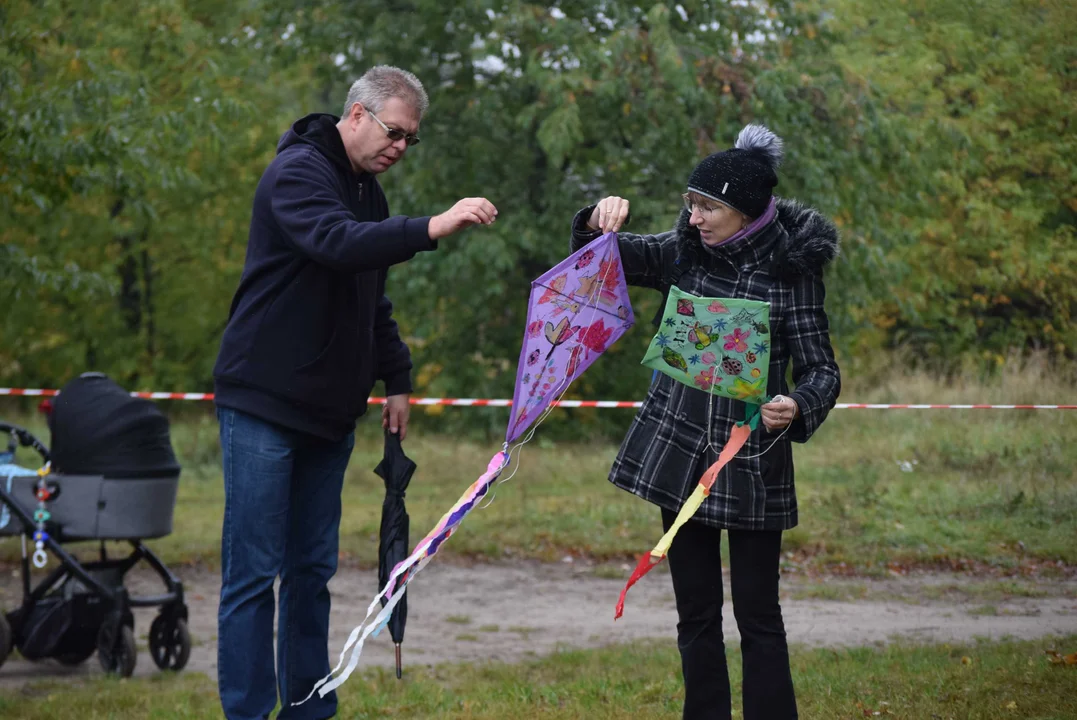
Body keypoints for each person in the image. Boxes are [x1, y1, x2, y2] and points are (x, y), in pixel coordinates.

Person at [211, 65, 498, 720]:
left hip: (329, 412)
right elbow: (336, 244)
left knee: (311, 576)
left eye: (410, 141)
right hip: (262, 400)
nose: (399, 147)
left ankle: (310, 710)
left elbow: (370, 292)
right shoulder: (298, 173)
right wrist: (431, 226)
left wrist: (395, 377)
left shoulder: (367, 192)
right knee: (253, 576)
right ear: (358, 116)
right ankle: (248, 712)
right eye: (394, 133)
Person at [570, 125, 840, 720]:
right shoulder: (682, 252)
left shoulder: (792, 273)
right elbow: (601, 261)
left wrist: (796, 406)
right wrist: (594, 220)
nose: (693, 217)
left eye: (707, 207)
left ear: (744, 211)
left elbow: (823, 371)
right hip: (680, 457)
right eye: (690, 203)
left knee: (758, 617)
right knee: (695, 614)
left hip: (752, 464)